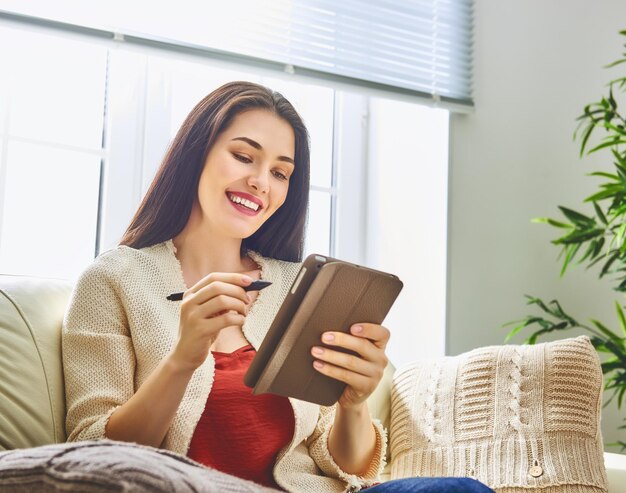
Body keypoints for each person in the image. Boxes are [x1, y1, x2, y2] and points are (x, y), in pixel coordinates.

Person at [62, 81, 493, 493]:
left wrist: (353, 402)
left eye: (281, 173)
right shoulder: (113, 280)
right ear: (196, 154)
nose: (262, 183)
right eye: (244, 156)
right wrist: (182, 360)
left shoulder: (296, 285)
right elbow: (92, 454)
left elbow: (347, 466)